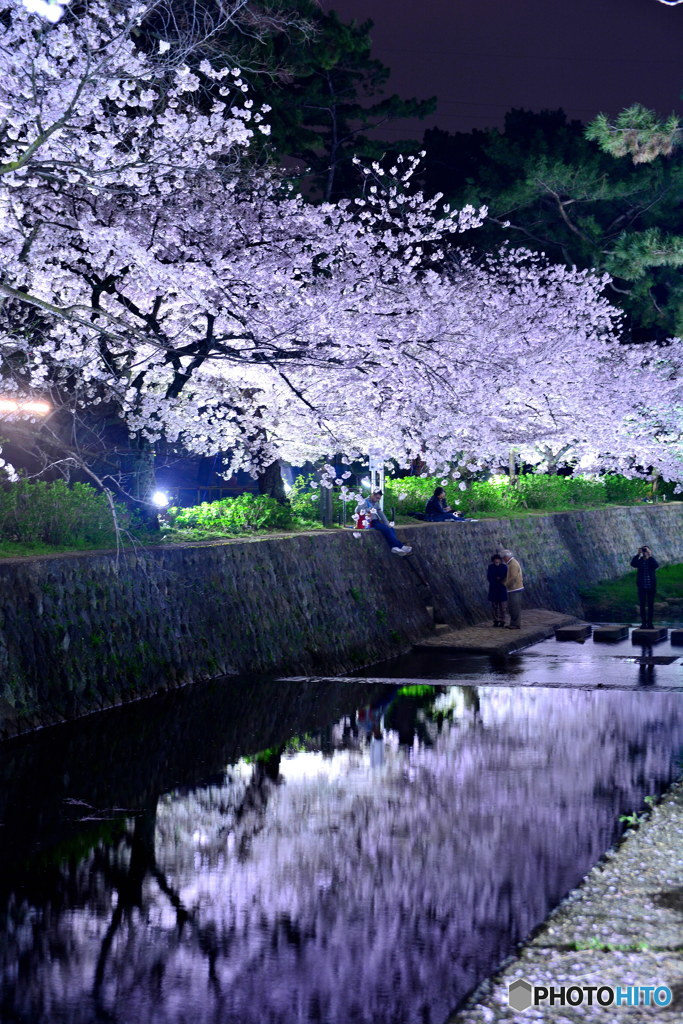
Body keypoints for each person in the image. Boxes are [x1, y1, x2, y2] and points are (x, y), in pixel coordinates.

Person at [355, 490, 412, 556]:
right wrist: (368, 509)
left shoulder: (376, 504)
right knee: (386, 529)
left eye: (379, 498)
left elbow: (381, 513)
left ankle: (395, 547)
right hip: (369, 521)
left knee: (391, 528)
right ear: (372, 495)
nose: (377, 500)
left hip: (376, 520)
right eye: (377, 498)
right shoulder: (364, 501)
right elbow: (357, 510)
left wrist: (387, 523)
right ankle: (399, 546)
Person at [630, 545, 659, 629]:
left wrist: (650, 556)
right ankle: (643, 623)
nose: (645, 551)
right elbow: (633, 564)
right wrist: (638, 554)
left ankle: (650, 623)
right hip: (641, 586)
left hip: (651, 586)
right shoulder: (639, 561)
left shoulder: (651, 560)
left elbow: (656, 565)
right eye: (644, 550)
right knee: (642, 605)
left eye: (646, 550)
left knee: (650, 605)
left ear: (649, 551)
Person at [500, 549, 524, 629]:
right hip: (515, 588)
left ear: (506, 557)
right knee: (513, 606)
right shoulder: (512, 563)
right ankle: (514, 623)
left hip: (515, 588)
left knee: (514, 607)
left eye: (503, 558)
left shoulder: (512, 564)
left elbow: (513, 577)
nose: (503, 560)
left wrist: (506, 584)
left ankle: (515, 624)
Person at [487, 553, 508, 627]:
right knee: (494, 606)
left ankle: (502, 620)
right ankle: (496, 620)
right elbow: (489, 577)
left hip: (501, 588)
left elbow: (506, 577)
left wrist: (501, 580)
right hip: (493, 588)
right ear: (493, 560)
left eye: (498, 559)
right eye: (495, 560)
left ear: (500, 560)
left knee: (502, 606)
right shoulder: (491, 567)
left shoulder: (504, 567)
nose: (496, 561)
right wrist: (494, 581)